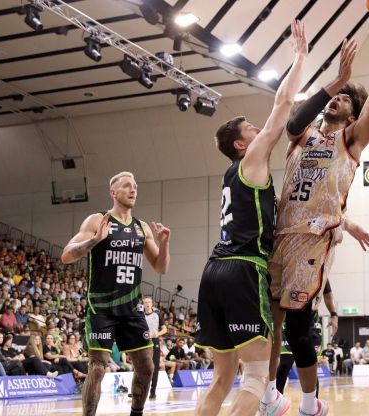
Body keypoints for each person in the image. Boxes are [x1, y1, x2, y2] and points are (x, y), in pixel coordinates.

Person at [263, 10, 369, 416]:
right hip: (280, 233)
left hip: (313, 238)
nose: (337, 100)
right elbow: (293, 118)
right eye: (336, 96)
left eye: (344, 98)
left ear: (353, 114)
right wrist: (335, 80)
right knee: (269, 323)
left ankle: (311, 405)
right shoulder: (304, 135)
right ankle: (268, 398)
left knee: (296, 326)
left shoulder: (351, 139)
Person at [192, 21, 308, 416]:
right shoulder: (252, 160)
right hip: (243, 269)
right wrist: (301, 57)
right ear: (242, 145)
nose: (259, 132)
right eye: (250, 130)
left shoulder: (231, 177)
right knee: (257, 378)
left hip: (213, 271)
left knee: (221, 380)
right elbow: (282, 106)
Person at [60, 170, 171, 416]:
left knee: (147, 367)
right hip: (102, 308)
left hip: (132, 308)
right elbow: (67, 255)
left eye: (136, 186)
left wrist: (164, 244)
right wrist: (95, 240)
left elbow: (161, 267)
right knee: (97, 368)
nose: (133, 190)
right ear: (113, 192)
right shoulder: (98, 220)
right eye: (127, 186)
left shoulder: (142, 228)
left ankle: (136, 413)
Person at [143, 296, 166, 399]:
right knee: (141, 367)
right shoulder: (140, 316)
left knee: (154, 368)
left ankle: (153, 391)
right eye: (145, 302)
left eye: (149, 302)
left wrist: (158, 334)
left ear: (152, 304)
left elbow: (164, 329)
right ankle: (140, 390)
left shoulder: (157, 315)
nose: (147, 304)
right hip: (143, 343)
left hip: (154, 342)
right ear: (143, 304)